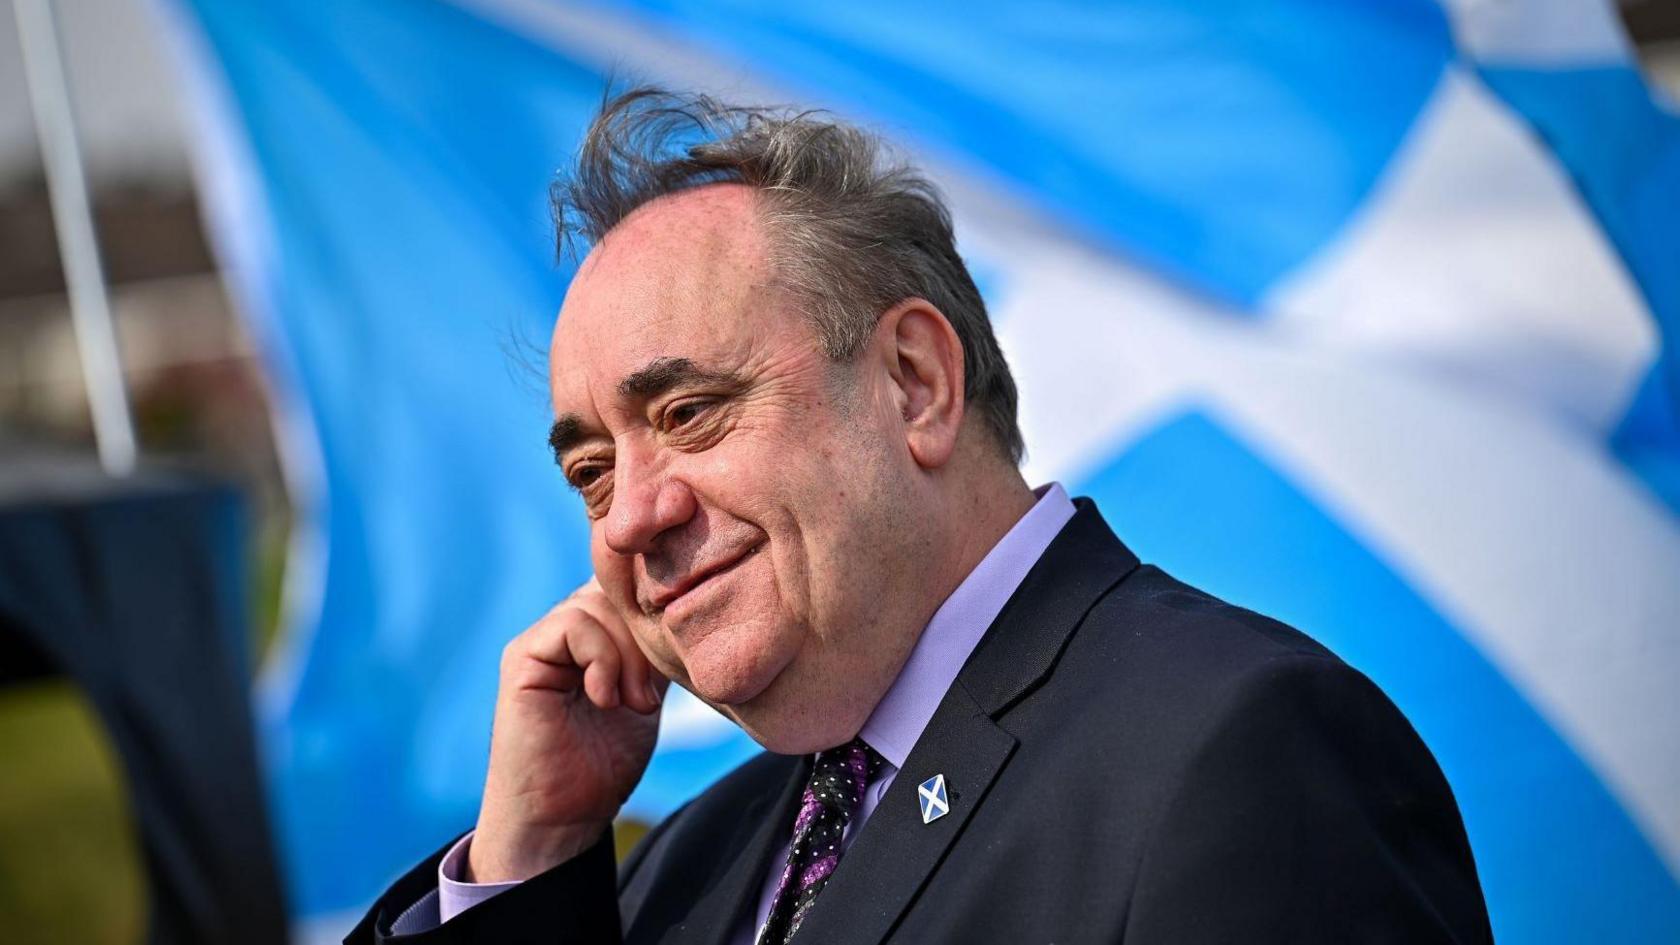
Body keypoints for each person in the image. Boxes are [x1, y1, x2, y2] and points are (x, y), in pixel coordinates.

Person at [347, 87, 1493, 944]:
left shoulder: (1240, 753)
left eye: (690, 411)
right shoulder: (685, 864)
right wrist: (525, 862)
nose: (632, 518)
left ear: (915, 384)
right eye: (591, 472)